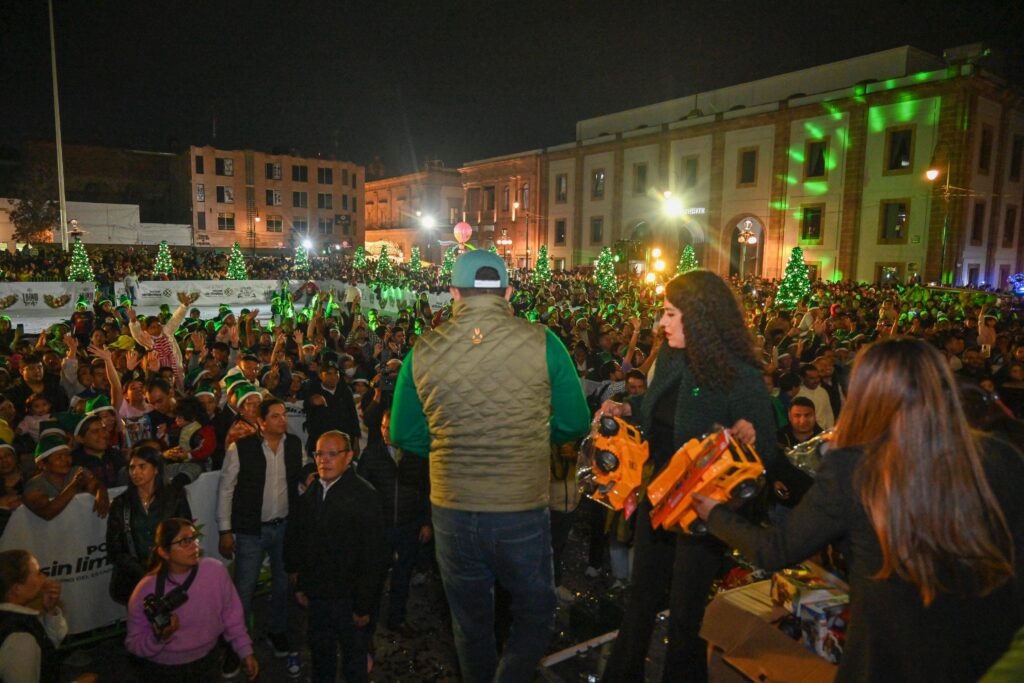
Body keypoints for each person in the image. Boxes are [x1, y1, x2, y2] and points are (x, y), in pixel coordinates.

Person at [696, 337, 1024, 682]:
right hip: (986, 657)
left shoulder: (855, 468)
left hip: (889, 660)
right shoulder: (1000, 456)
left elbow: (776, 550)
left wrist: (714, 513)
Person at [390, 250, 590, 683]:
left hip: (452, 507)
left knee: (470, 623)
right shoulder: (544, 342)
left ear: (453, 293)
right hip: (520, 506)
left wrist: (448, 442)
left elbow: (403, 433)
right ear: (509, 292)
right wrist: (532, 438)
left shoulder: (422, 350)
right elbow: (575, 422)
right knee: (536, 611)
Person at [599, 270, 776, 683]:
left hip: (702, 512)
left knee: (686, 613)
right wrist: (627, 408)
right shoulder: (672, 356)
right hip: (659, 495)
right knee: (640, 598)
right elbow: (659, 407)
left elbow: (765, 450)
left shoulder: (740, 375)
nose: (661, 323)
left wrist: (739, 444)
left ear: (699, 317)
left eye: (670, 314)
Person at [285, 430, 387, 683]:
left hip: (349, 600)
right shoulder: (313, 492)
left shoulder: (364, 495)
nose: (324, 460)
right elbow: (302, 541)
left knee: (354, 661)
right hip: (318, 597)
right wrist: (302, 585)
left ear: (349, 456)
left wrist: (363, 605)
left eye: (332, 454)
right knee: (321, 657)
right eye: (319, 454)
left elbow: (374, 556)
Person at [217, 398, 309, 676]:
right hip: (251, 530)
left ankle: (277, 631)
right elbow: (226, 489)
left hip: (284, 527)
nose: (283, 420)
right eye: (276, 416)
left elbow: (303, 475)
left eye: (284, 415)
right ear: (261, 422)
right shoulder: (241, 448)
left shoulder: (294, 445)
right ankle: (236, 645)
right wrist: (225, 530)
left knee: (282, 585)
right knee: (243, 589)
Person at [125, 518, 258, 682]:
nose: (194, 545)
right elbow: (134, 643)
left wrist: (245, 651)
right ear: (164, 552)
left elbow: (232, 616)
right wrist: (159, 638)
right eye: (184, 541)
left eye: (194, 538)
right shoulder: (146, 590)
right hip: (164, 670)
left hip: (208, 661)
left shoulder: (215, 571)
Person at [356, 408, 431, 633]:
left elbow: (427, 490)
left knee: (402, 575)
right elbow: (362, 491)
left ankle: (396, 618)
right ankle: (369, 621)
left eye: (390, 428)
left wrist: (426, 521)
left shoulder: (416, 455)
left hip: (409, 526)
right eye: (383, 427)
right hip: (381, 527)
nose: (386, 432)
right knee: (375, 576)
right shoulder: (372, 454)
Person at [106, 444, 193, 605]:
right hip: (135, 581)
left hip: (172, 574)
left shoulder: (174, 497)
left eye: (142, 466)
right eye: (132, 467)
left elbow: (186, 535)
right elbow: (114, 549)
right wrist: (144, 570)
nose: (135, 472)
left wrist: (167, 564)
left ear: (156, 469)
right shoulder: (121, 504)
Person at [0, 549, 67, 683]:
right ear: (17, 589)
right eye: (38, 574)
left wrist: (50, 610)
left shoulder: (15, 620)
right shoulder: (19, 638)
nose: (44, 578)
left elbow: (45, 648)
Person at [23, 435, 110, 521]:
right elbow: (47, 513)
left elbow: (95, 485)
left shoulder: (76, 472)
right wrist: (74, 486)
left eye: (68, 455)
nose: (66, 460)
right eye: (59, 457)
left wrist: (101, 490)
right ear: (42, 464)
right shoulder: (35, 485)